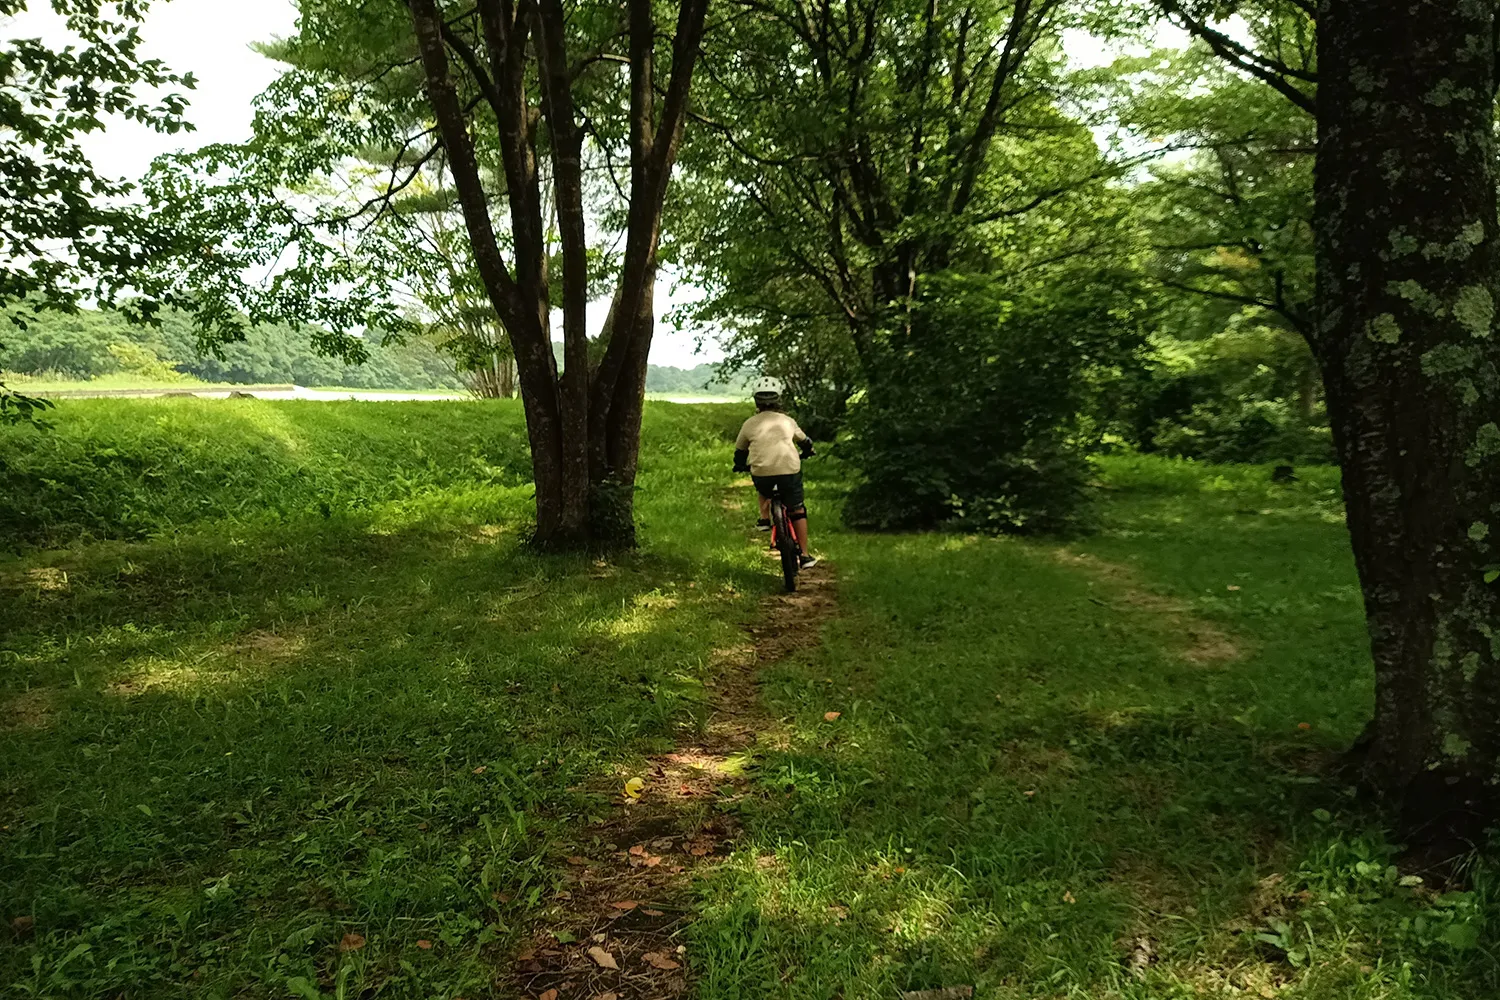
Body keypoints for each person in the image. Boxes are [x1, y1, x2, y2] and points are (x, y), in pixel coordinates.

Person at [733, 376, 818, 570]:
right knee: (797, 509)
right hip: (789, 472)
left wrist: (740, 465)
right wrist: (808, 451)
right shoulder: (787, 421)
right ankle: (804, 555)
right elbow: (805, 441)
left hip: (762, 475)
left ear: (756, 400)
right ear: (779, 399)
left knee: (763, 487)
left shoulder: (749, 424)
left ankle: (764, 519)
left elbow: (740, 451)